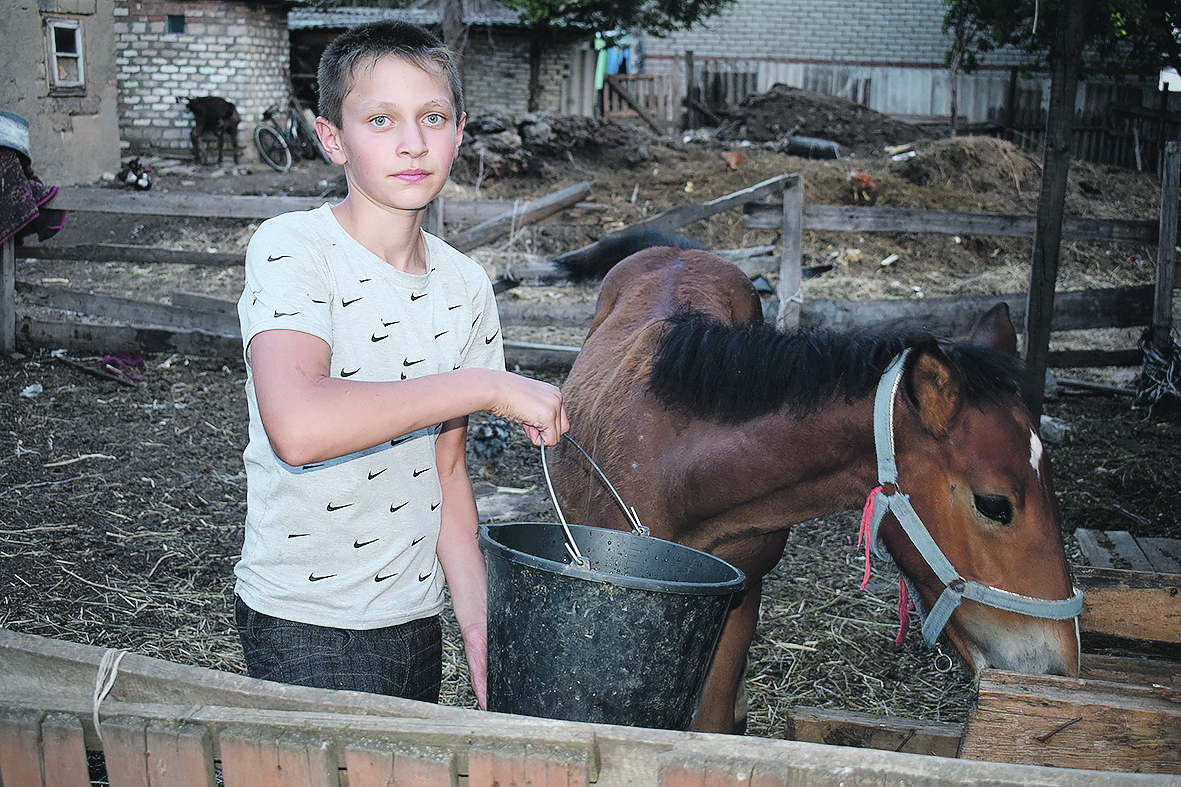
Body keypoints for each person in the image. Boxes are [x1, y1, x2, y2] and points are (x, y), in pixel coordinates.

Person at [233, 19, 567, 710]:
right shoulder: (293, 249)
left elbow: (447, 472)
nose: (412, 142)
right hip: (305, 619)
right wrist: (484, 384)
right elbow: (299, 426)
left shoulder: (465, 286)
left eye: (432, 118)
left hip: (415, 616)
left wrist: (477, 625)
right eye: (380, 119)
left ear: (459, 132)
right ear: (333, 139)